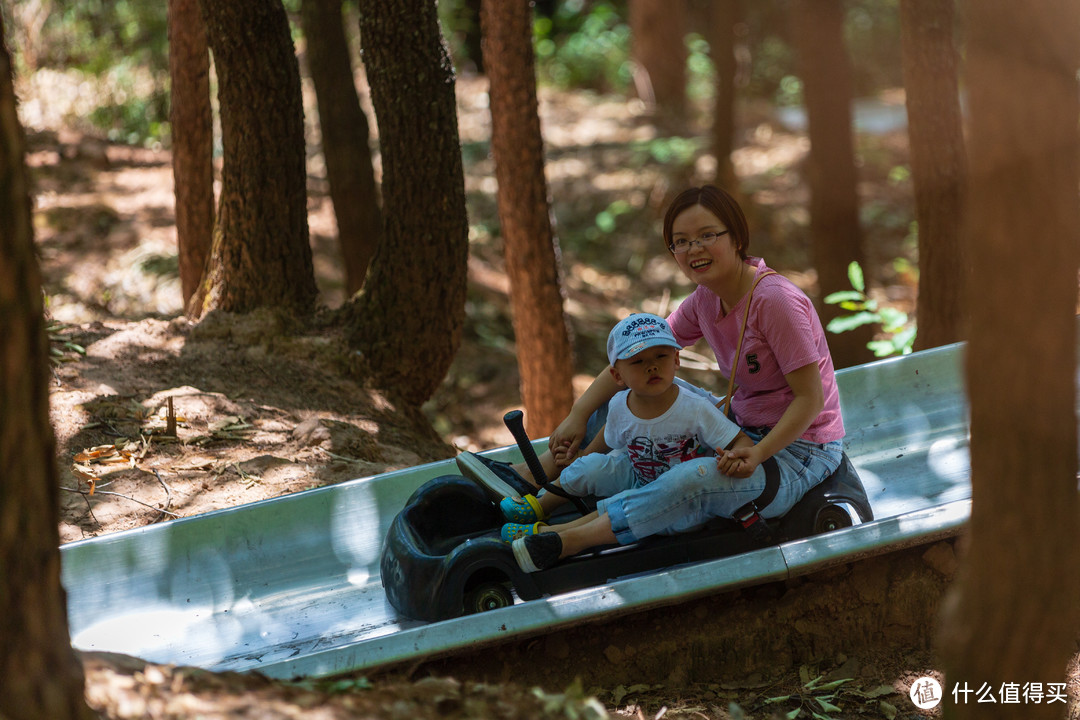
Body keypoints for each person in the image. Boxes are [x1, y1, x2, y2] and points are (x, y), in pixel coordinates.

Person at [508, 184, 846, 573]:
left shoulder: (775, 301)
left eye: (707, 235)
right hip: (741, 428)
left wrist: (758, 453)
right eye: (681, 242)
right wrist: (579, 413)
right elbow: (633, 356)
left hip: (796, 451)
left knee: (691, 480)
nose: (694, 249)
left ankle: (566, 539)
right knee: (636, 386)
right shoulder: (705, 298)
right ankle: (535, 478)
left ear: (736, 237)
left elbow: (810, 399)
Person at [498, 312, 755, 549]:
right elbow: (608, 439)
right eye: (638, 361)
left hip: (677, 499)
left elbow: (739, 440)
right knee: (587, 467)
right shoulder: (620, 404)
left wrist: (737, 458)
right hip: (637, 474)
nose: (651, 366)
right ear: (617, 375)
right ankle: (540, 505)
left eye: (661, 357)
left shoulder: (696, 408)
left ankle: (547, 534)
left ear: (676, 360)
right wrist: (582, 457)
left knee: (619, 507)